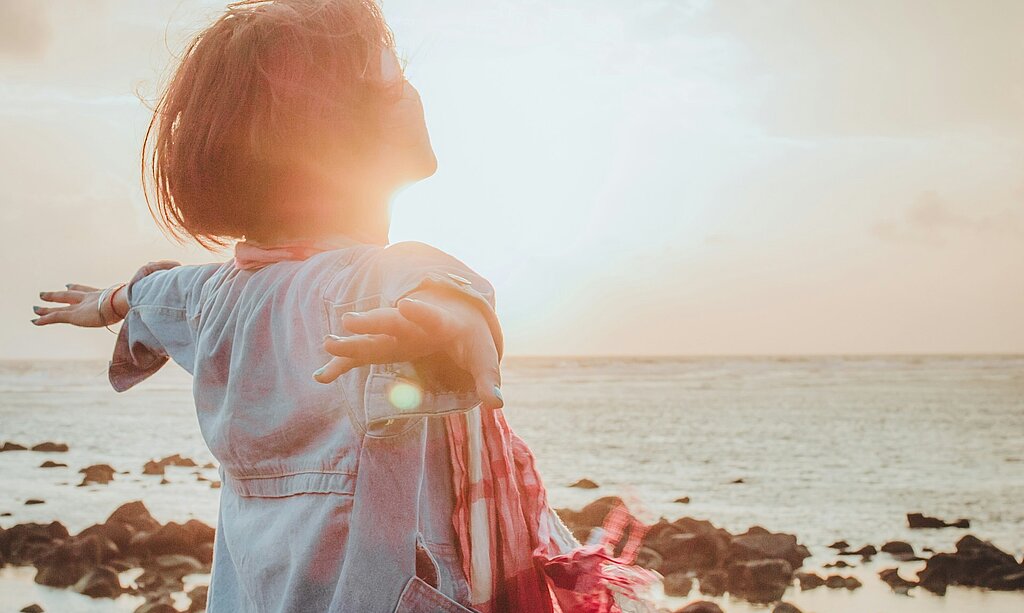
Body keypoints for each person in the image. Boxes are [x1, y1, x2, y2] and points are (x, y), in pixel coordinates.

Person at [33, 2, 657, 611]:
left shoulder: (215, 294)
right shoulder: (374, 278)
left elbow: (153, 295)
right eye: (390, 79)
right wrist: (445, 325)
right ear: (323, 132)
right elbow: (441, 289)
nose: (412, 92)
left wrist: (107, 302)